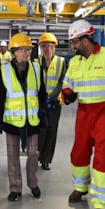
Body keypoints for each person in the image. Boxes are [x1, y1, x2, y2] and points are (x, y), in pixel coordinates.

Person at [61, 20, 105, 209]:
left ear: (85, 40)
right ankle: (80, 187)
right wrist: (67, 95)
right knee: (79, 152)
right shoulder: (74, 62)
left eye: (75, 42)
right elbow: (68, 85)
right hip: (83, 113)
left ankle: (100, 205)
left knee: (103, 157)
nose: (72, 46)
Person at [0, 33, 47, 201]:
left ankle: (33, 183)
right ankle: (15, 188)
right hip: (12, 121)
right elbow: (0, 98)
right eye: (21, 50)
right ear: (14, 52)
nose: (25, 53)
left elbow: (42, 93)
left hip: (32, 120)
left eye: (28, 50)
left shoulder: (37, 69)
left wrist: (43, 109)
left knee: (33, 154)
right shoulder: (4, 71)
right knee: (13, 156)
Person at [35, 32, 67, 171]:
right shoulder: (36, 63)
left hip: (54, 103)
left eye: (48, 46)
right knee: (40, 131)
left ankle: (46, 160)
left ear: (54, 47)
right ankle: (37, 156)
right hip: (39, 102)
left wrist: (52, 97)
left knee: (52, 131)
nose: (46, 49)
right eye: (43, 46)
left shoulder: (61, 62)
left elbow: (62, 82)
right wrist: (41, 99)